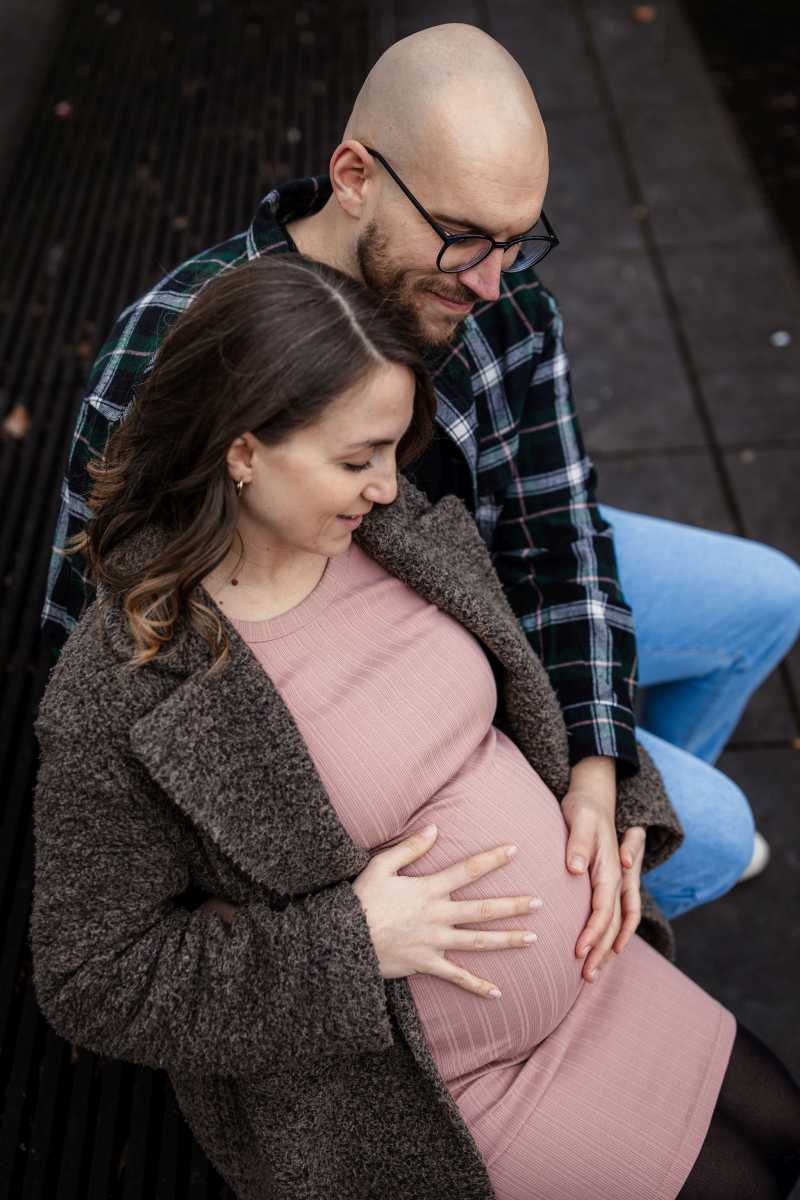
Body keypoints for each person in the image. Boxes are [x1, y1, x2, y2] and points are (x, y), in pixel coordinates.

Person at [30, 256, 800, 1200]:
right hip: (434, 1090)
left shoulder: (403, 542)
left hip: (598, 982)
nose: (389, 487)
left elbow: (527, 687)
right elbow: (90, 979)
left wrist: (608, 788)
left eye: (395, 450)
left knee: (787, 1126)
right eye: (356, 460)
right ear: (243, 452)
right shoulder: (126, 683)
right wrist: (349, 942)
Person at [40, 24, 800, 976]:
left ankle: (612, 863)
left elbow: (555, 534)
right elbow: (95, 636)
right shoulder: (180, 349)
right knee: (720, 831)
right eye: (464, 235)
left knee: (772, 595)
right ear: (353, 174)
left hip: (485, 593)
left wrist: (599, 765)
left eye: (520, 240)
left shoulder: (505, 302)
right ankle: (600, 898)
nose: (491, 280)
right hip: (362, 678)